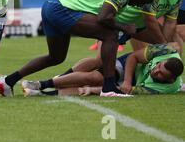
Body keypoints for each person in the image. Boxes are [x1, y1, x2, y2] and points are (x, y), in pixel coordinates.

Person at [0, 0, 158, 98]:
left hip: (51, 3)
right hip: (62, 8)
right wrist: (125, 27)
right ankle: (109, 87)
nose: (139, 6)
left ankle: (8, 81)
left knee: (56, 57)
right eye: (142, 2)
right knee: (110, 35)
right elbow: (103, 18)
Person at [22, 43, 184, 96]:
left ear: (170, 79)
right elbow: (133, 57)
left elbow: (126, 90)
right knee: (96, 75)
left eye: (160, 74)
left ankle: (43, 92)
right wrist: (127, 80)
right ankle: (44, 84)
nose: (156, 71)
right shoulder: (166, 51)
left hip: (132, 83)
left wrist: (94, 90)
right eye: (158, 66)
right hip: (128, 66)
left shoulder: (167, 88)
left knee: (89, 88)